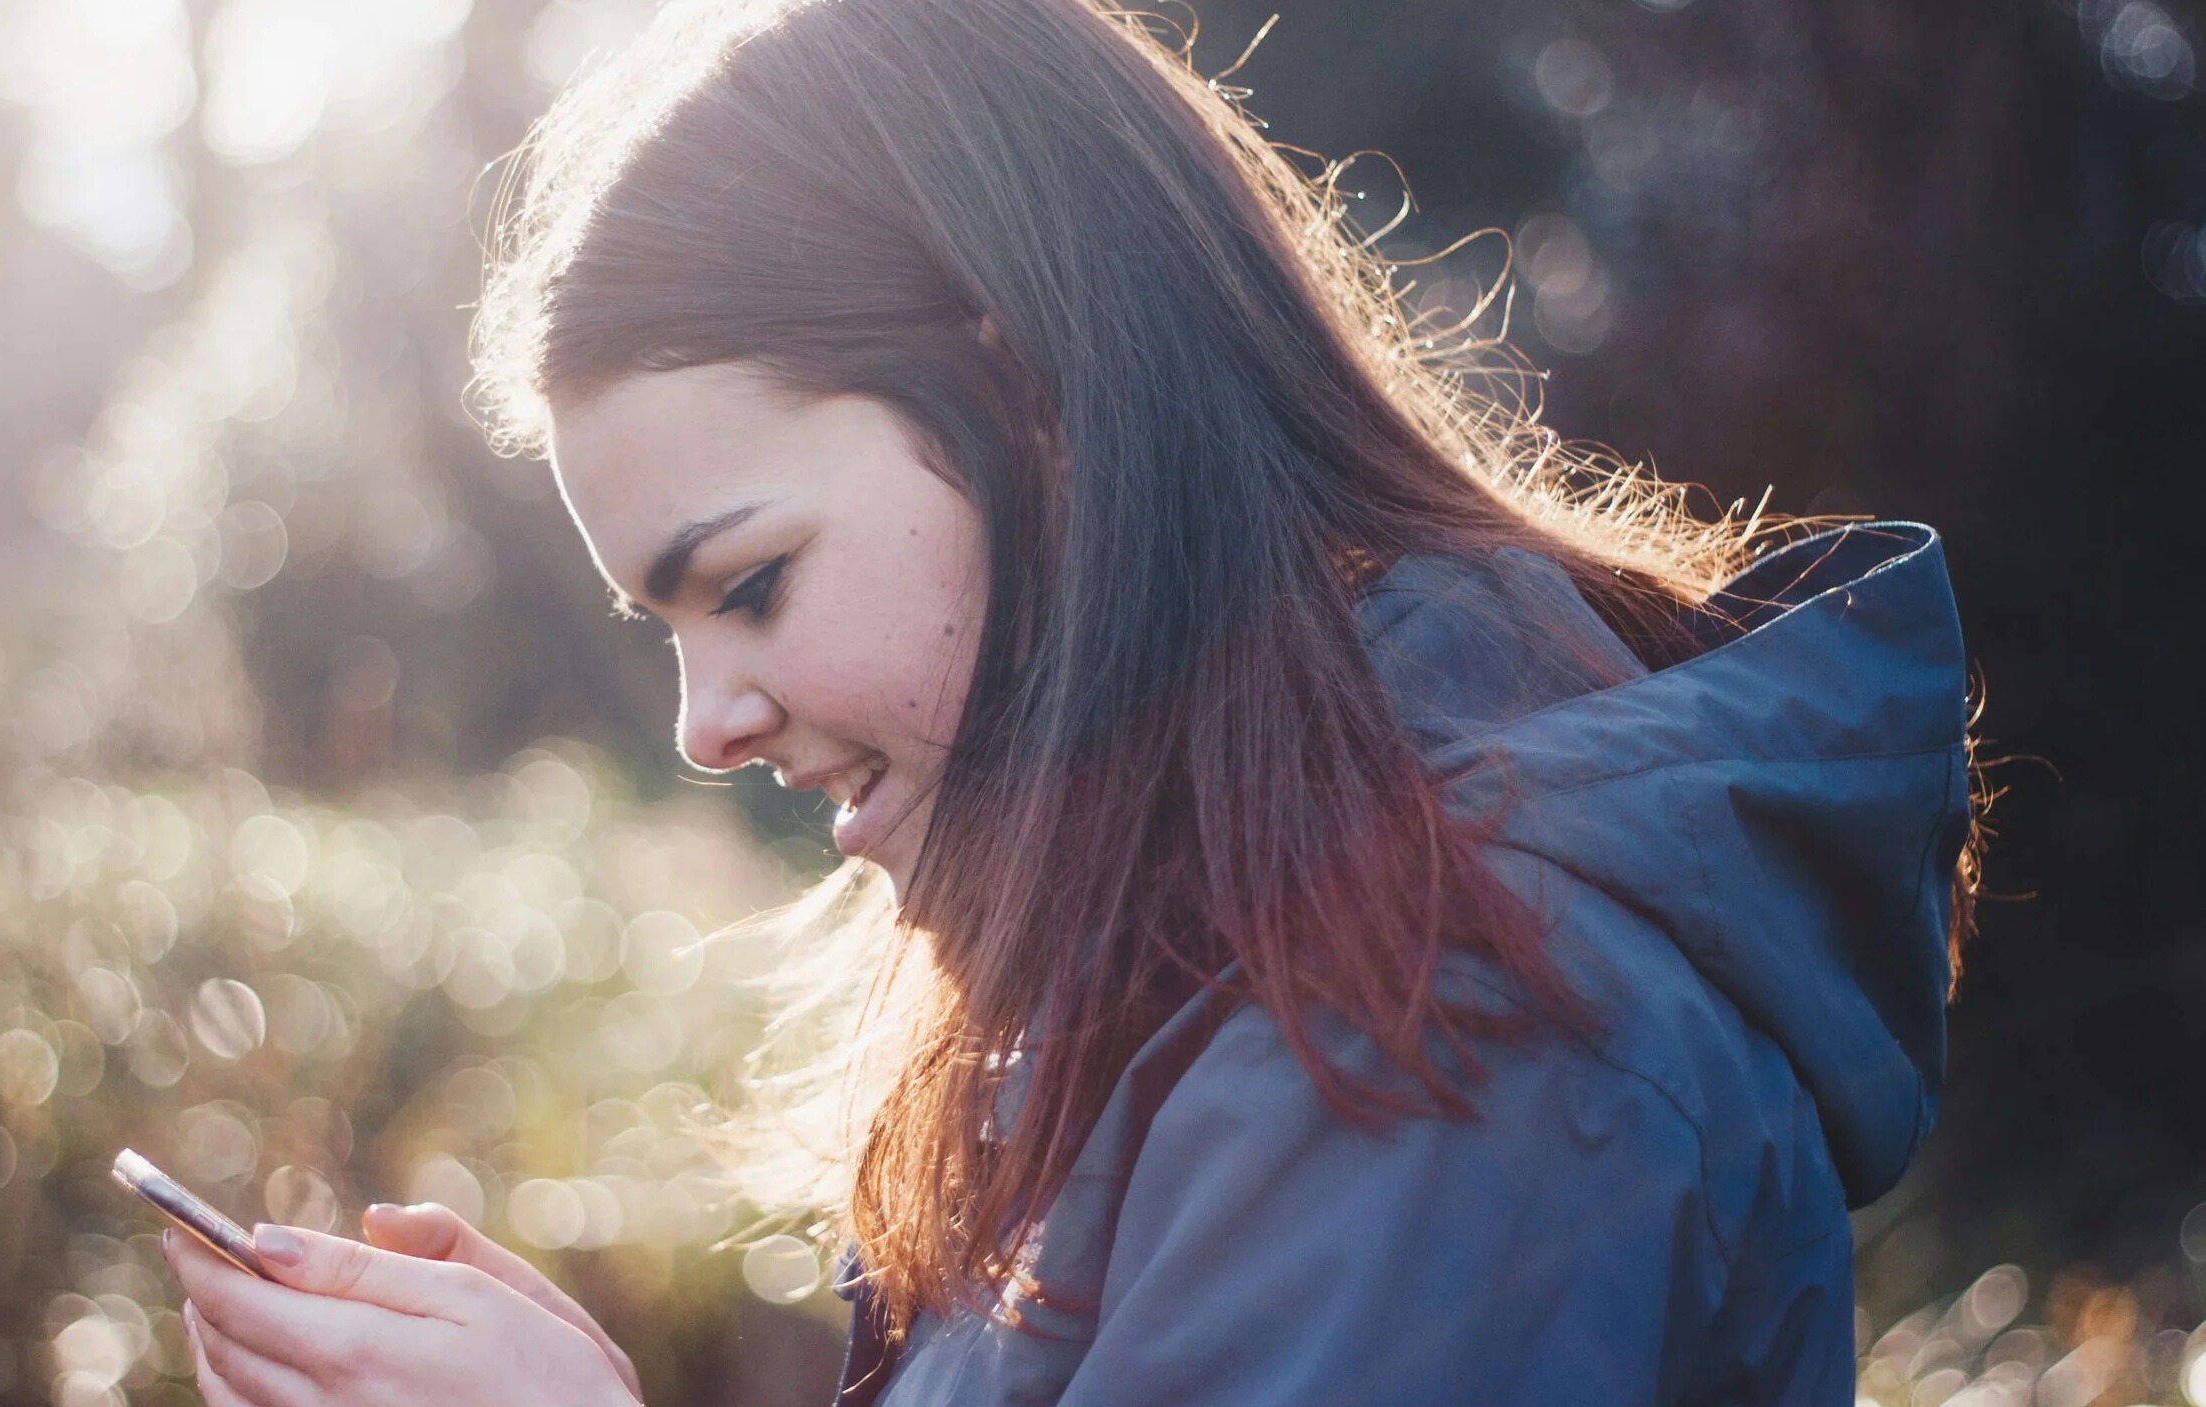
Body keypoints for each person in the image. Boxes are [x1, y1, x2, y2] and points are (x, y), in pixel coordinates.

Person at [163, 0, 1981, 1402]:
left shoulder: (1448, 1033)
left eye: (752, 585)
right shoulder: (1214, 967)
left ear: (1035, 406)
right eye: (669, 628)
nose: (707, 721)